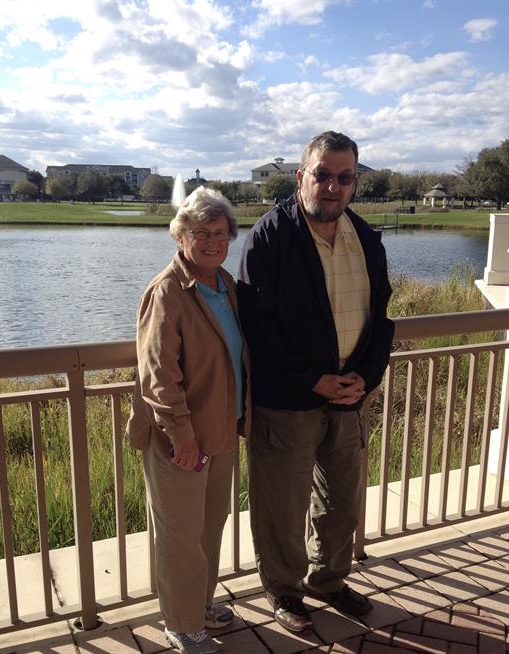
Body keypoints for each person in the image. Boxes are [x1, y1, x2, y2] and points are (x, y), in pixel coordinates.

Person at [237, 131, 394, 632]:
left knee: (341, 501)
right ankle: (284, 589)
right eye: (322, 174)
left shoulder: (365, 237)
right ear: (301, 176)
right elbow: (258, 326)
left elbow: (382, 319)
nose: (333, 186)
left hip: (349, 397)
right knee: (282, 506)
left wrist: (365, 377)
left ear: (354, 183)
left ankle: (327, 580)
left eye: (345, 177)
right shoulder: (270, 236)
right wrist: (314, 381)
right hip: (288, 402)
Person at [127, 186, 251, 654]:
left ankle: (199, 605)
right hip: (180, 439)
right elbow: (158, 376)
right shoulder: (167, 292)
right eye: (201, 233)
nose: (213, 241)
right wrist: (181, 435)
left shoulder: (225, 285)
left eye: (220, 233)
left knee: (210, 525)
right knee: (180, 536)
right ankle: (181, 623)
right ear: (180, 236)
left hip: (221, 431)